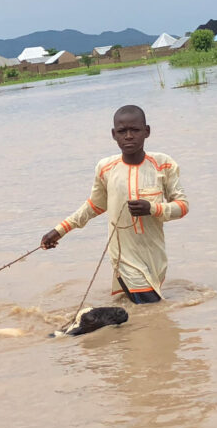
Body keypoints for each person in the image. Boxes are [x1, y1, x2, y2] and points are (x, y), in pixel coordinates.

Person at [40, 105, 188, 304]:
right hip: (124, 257)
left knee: (144, 313)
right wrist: (60, 230)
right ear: (113, 135)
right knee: (149, 307)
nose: (128, 136)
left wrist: (153, 208)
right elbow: (94, 206)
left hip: (155, 255)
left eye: (135, 130)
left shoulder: (164, 164)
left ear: (147, 132)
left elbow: (182, 206)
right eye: (122, 131)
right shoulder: (106, 168)